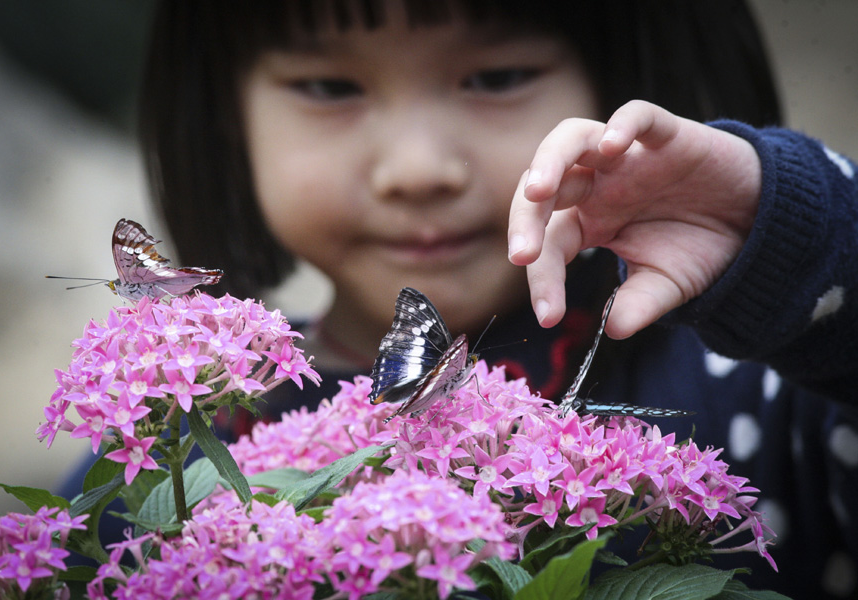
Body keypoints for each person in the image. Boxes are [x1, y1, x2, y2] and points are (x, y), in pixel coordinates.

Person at [62, 1, 857, 597]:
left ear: (613, 85)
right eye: (328, 85)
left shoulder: (764, 379)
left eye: (496, 76)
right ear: (223, 121)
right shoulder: (157, 473)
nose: (418, 168)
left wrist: (784, 237)